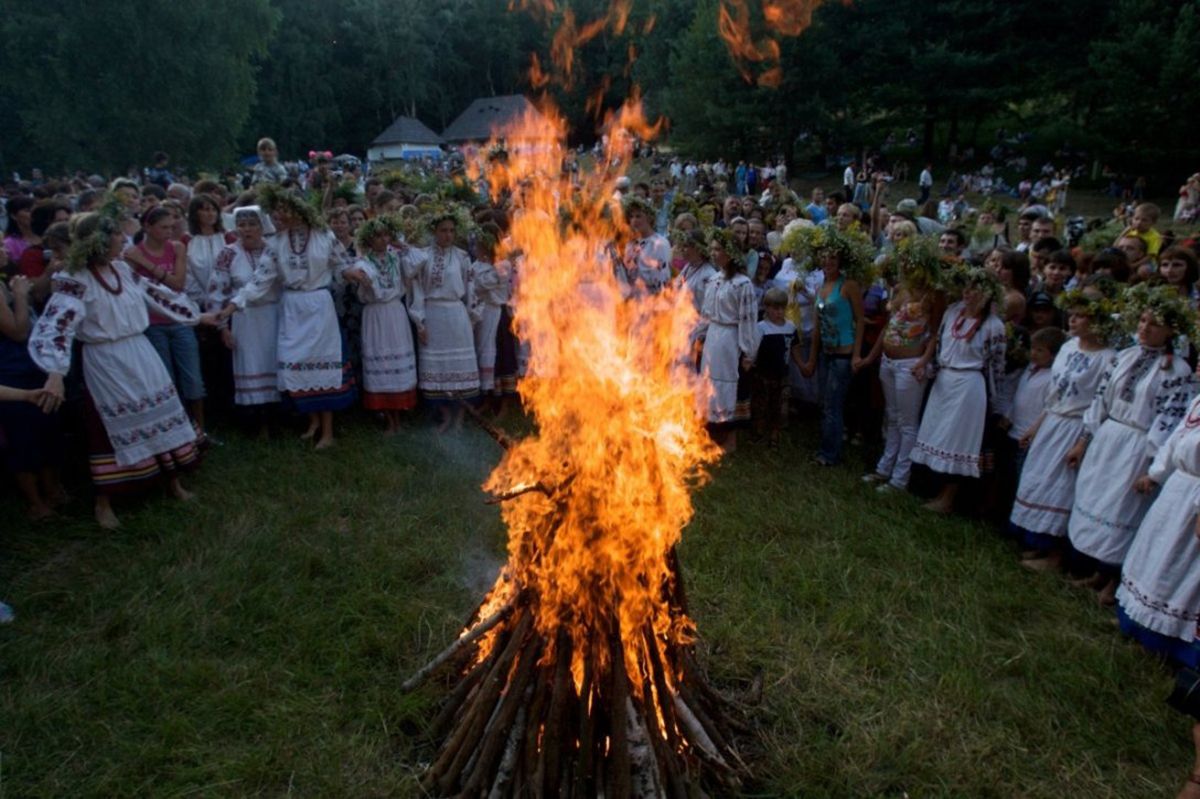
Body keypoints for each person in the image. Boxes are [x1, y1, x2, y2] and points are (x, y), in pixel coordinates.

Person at [29, 209, 203, 529]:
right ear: (98, 240)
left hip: (141, 352)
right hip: (106, 361)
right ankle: (104, 501)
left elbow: (157, 294)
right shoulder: (73, 279)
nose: (124, 239)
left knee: (162, 412)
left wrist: (194, 316)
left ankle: (173, 483)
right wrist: (55, 373)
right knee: (108, 426)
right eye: (116, 235)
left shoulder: (122, 269)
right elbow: (58, 326)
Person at [1067, 285, 1197, 605]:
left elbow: (1168, 419)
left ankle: (1114, 581)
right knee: (1099, 500)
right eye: (1141, 320)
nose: (1144, 328)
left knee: (1124, 508)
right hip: (1110, 437)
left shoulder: (1176, 370)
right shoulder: (1125, 356)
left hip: (1138, 447)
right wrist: (1086, 439)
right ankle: (1098, 571)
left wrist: (1152, 466)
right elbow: (1101, 398)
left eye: (1153, 324)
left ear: (1170, 330)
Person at [211, 186, 358, 450]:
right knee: (296, 363)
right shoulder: (277, 243)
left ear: (298, 210)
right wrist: (233, 305)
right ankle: (312, 420)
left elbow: (342, 263)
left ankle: (327, 431)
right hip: (292, 307)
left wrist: (352, 273)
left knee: (323, 365)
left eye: (283, 210)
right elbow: (260, 280)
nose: (278, 215)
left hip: (318, 305)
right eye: (277, 211)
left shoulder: (324, 236)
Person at [1011, 287, 1116, 568]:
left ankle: (1056, 555)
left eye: (1082, 316)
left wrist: (1082, 442)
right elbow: (1056, 393)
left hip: (1075, 427)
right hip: (1053, 422)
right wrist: (1036, 425)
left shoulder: (1107, 358)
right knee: (1040, 481)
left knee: (1061, 488)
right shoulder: (1068, 347)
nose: (1073, 320)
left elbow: (1099, 404)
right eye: (1073, 314)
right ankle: (1039, 543)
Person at [911, 267, 1007, 513]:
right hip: (945, 380)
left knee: (959, 441)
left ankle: (949, 497)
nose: (968, 293)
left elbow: (996, 366)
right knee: (938, 433)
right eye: (966, 287)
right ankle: (932, 487)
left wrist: (997, 402)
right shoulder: (953, 312)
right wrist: (929, 368)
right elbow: (942, 344)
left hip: (968, 386)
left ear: (987, 293)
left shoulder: (993, 326)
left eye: (975, 289)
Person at [1116, 389, 1200, 668]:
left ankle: (1170, 645)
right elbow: (1177, 438)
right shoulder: (1198, 400)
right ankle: (1139, 625)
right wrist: (1156, 474)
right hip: (1178, 492)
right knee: (1156, 559)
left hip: (1195, 501)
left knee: (1180, 569)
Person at [860, 237, 945, 492]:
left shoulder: (933, 293)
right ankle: (884, 468)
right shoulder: (899, 288)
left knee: (907, 422)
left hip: (911, 362)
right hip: (889, 360)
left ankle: (900, 478)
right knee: (893, 417)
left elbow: (935, 330)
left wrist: (923, 360)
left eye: (910, 262)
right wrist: (873, 357)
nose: (905, 266)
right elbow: (890, 324)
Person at [790, 225, 871, 466]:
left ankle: (829, 454)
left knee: (833, 405)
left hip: (844, 356)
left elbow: (860, 322)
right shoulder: (821, 287)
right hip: (826, 353)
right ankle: (828, 447)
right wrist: (812, 359)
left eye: (833, 257)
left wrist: (857, 356)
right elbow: (817, 326)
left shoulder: (849, 286)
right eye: (824, 257)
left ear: (840, 260)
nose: (828, 262)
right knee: (826, 403)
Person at [406, 205, 481, 432]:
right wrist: (420, 322)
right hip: (433, 315)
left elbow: (471, 288)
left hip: (456, 315)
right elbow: (416, 290)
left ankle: (459, 416)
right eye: (442, 230)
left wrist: (472, 316)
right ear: (434, 232)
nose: (447, 235)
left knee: (459, 367)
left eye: (451, 230)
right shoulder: (423, 257)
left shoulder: (462, 257)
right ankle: (445, 414)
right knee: (437, 367)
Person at [205, 205, 281, 425]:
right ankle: (255, 420)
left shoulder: (273, 249)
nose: (247, 229)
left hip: (274, 315)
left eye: (252, 224)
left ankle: (278, 417)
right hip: (245, 318)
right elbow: (216, 291)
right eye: (242, 225)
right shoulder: (228, 253)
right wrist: (223, 328)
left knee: (275, 361)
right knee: (250, 365)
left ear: (261, 226)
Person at [345, 216, 417, 434]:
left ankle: (399, 414)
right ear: (368, 239)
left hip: (395, 312)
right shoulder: (364, 262)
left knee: (397, 362)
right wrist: (363, 277)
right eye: (377, 236)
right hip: (376, 315)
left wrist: (401, 244)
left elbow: (419, 258)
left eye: (386, 235)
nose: (382, 240)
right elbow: (358, 273)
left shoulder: (397, 257)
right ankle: (387, 416)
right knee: (381, 364)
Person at [0, 274, 64, 519]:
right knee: (23, 438)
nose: (3, 250)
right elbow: (17, 331)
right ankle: (36, 502)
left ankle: (52, 492)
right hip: (10, 371)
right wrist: (18, 295)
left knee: (47, 428)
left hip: (31, 365)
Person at [696, 228, 759, 453]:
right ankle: (712, 434)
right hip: (714, 336)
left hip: (730, 339)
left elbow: (748, 319)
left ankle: (730, 439)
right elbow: (706, 313)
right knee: (710, 383)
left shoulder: (742, 284)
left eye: (718, 249)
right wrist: (697, 336)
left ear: (730, 253)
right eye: (712, 249)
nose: (713, 253)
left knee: (729, 385)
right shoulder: (713, 279)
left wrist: (748, 351)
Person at [751, 287, 800, 446]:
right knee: (761, 404)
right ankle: (759, 432)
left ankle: (774, 434)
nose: (779, 312)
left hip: (782, 373)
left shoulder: (790, 327)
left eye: (781, 308)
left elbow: (794, 347)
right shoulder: (761, 327)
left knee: (778, 405)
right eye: (775, 308)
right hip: (763, 373)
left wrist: (803, 365)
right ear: (767, 308)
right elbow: (754, 348)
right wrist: (749, 361)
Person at [620, 196, 671, 296]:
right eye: (631, 217)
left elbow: (662, 278)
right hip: (632, 300)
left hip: (651, 300)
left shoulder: (659, 244)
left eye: (638, 216)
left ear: (649, 218)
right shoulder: (630, 244)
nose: (634, 220)